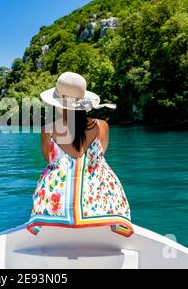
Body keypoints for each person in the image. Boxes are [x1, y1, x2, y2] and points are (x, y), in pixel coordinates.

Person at [26, 72, 133, 237]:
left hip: (56, 203)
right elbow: (100, 155)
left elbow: (49, 159)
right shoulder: (102, 126)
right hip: (101, 203)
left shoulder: (47, 130)